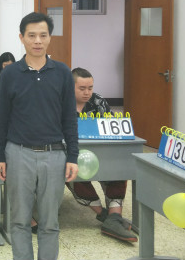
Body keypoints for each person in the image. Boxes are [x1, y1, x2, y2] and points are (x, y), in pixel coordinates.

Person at [0, 12, 78, 260]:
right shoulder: (10, 74)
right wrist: (0, 156)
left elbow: (69, 119)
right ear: (22, 38)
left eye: (43, 35)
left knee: (50, 223)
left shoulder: (62, 72)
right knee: (19, 221)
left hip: (54, 155)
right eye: (31, 35)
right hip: (18, 153)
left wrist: (73, 156)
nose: (37, 41)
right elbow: (2, 119)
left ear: (50, 37)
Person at [67, 67, 137, 242]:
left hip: (100, 153)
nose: (87, 93)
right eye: (82, 88)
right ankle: (105, 215)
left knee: (118, 168)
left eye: (90, 88)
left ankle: (114, 215)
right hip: (74, 156)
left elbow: (112, 128)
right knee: (74, 173)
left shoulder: (98, 102)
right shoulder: (60, 104)